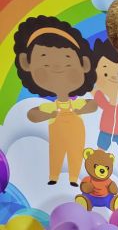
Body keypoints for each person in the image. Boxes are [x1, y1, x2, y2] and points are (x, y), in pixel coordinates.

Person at [13, 15, 99, 186]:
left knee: (75, 153)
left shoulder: (77, 102)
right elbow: (33, 115)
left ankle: (74, 178)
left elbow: (93, 105)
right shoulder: (49, 105)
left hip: (77, 132)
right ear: (26, 63)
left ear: (85, 64)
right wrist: (48, 113)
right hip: (57, 133)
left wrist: (80, 110)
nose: (57, 66)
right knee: (56, 152)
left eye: (67, 59)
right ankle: (54, 176)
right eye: (44, 57)